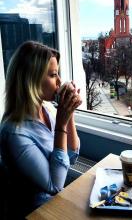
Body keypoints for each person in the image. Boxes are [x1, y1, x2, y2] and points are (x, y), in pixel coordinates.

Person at [0, 41, 82, 219]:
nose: (59, 81)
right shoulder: (15, 132)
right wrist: (61, 123)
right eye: (53, 75)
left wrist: (69, 113)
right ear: (32, 79)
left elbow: (72, 155)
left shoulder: (49, 109)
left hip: (54, 204)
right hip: (33, 213)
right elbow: (54, 185)